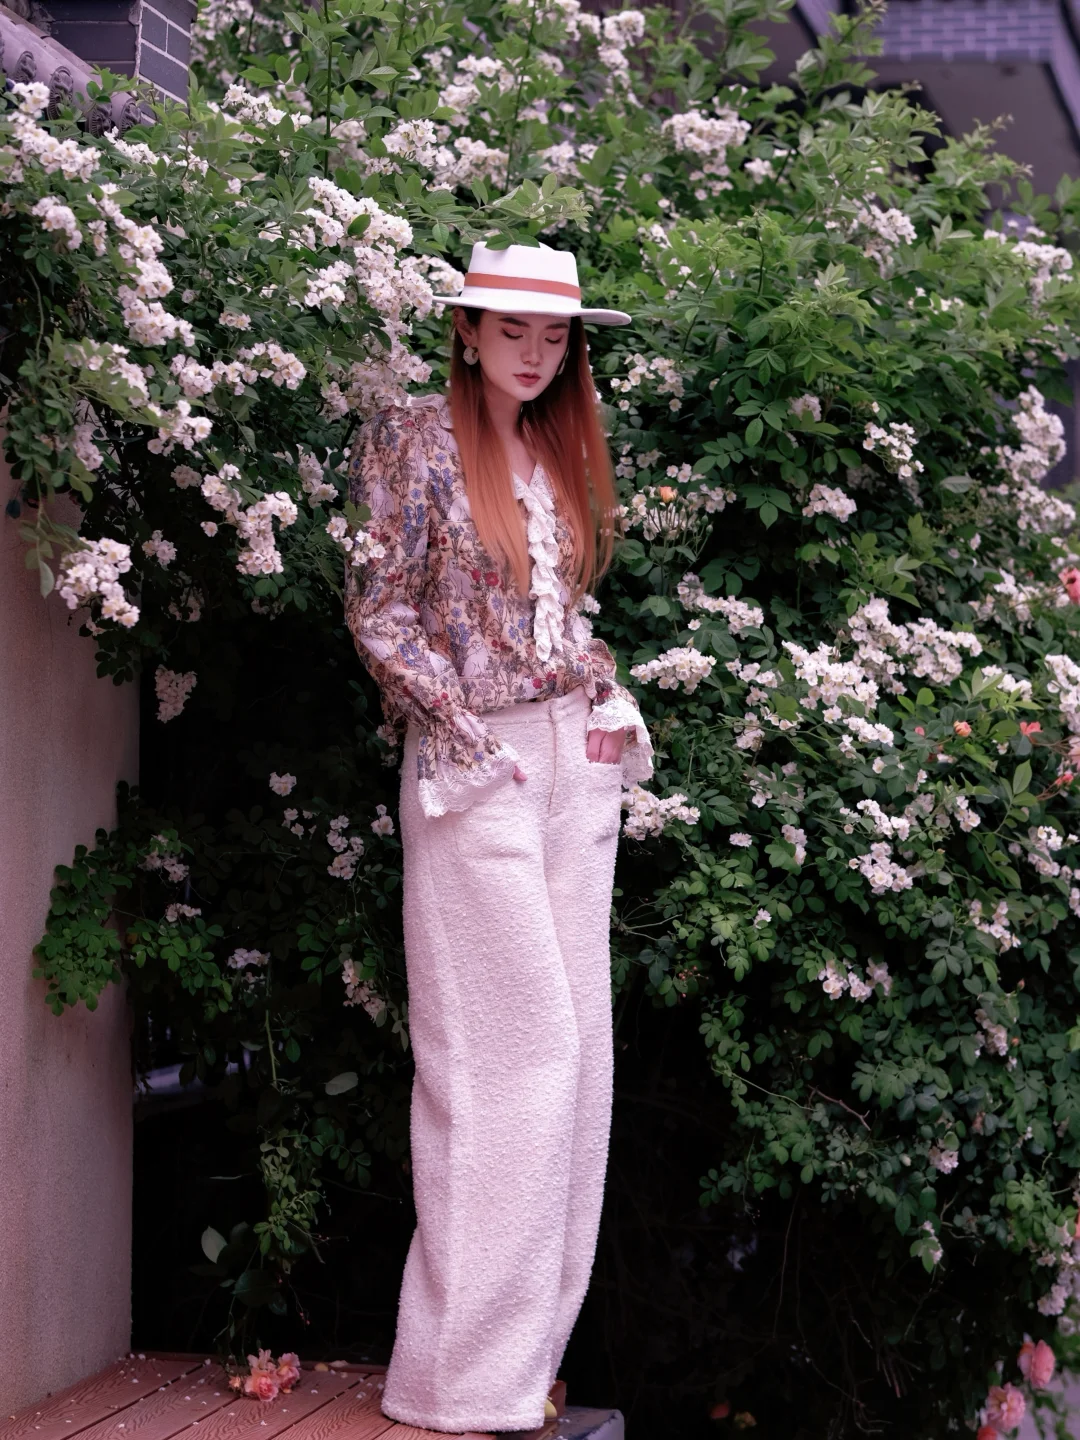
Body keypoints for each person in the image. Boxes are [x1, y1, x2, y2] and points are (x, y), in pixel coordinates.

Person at [344, 240, 653, 1438]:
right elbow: (380, 612)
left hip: (576, 763)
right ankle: (455, 1377)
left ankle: (520, 1370)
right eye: (511, 329)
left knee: (579, 1068)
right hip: (479, 769)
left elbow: (553, 618)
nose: (534, 352)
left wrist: (606, 698)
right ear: (467, 332)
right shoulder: (412, 439)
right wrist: (467, 734)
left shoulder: (556, 450)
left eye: (554, 334)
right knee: (508, 1060)